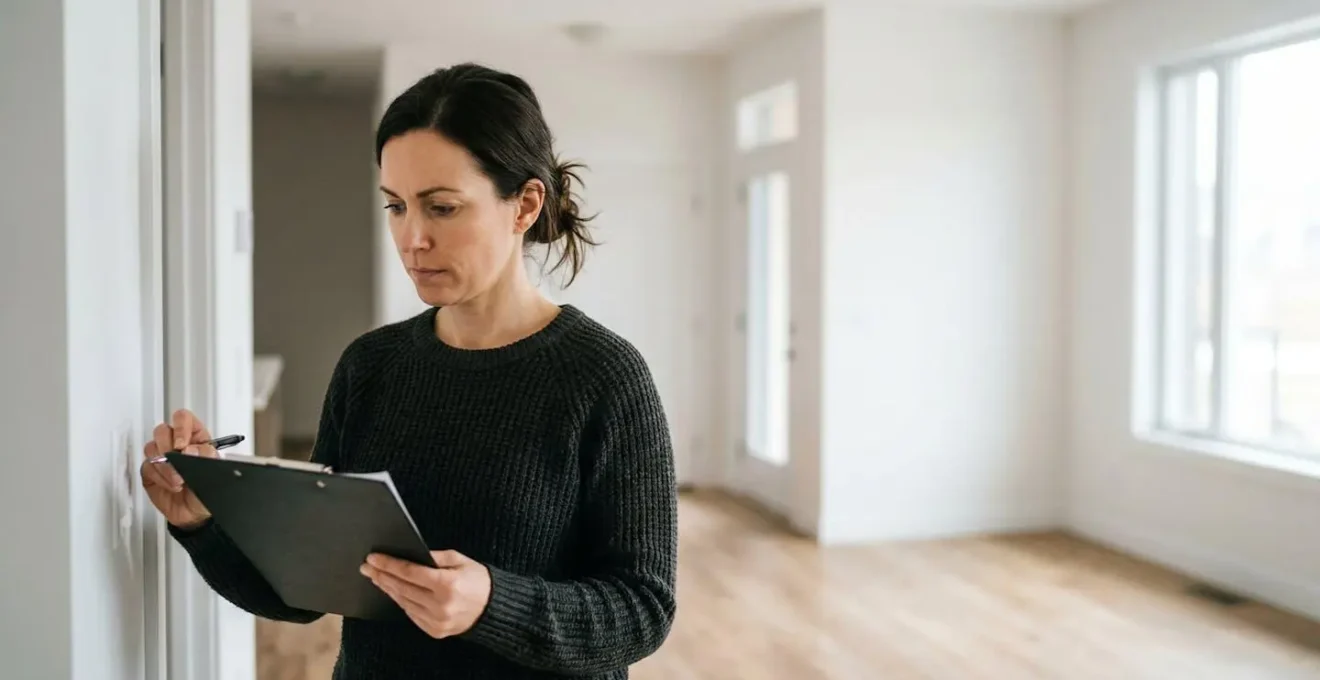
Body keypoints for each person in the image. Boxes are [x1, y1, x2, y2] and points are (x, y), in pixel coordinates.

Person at [139, 62, 678, 679]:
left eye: (442, 207)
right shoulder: (369, 367)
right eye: (396, 207)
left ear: (525, 204)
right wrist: (203, 525)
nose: (412, 237)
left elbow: (642, 608)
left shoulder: (606, 377)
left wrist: (493, 604)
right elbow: (305, 592)